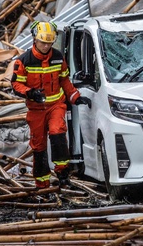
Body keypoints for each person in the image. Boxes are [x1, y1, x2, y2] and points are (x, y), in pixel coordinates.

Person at [11, 21, 91, 189]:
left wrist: (75, 97)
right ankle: (42, 183)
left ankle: (63, 175)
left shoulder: (57, 57)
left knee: (58, 134)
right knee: (38, 146)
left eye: (49, 42)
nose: (46, 45)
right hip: (36, 110)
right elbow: (16, 85)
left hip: (56, 105)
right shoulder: (23, 61)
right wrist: (30, 92)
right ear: (35, 39)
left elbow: (64, 81)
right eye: (43, 42)